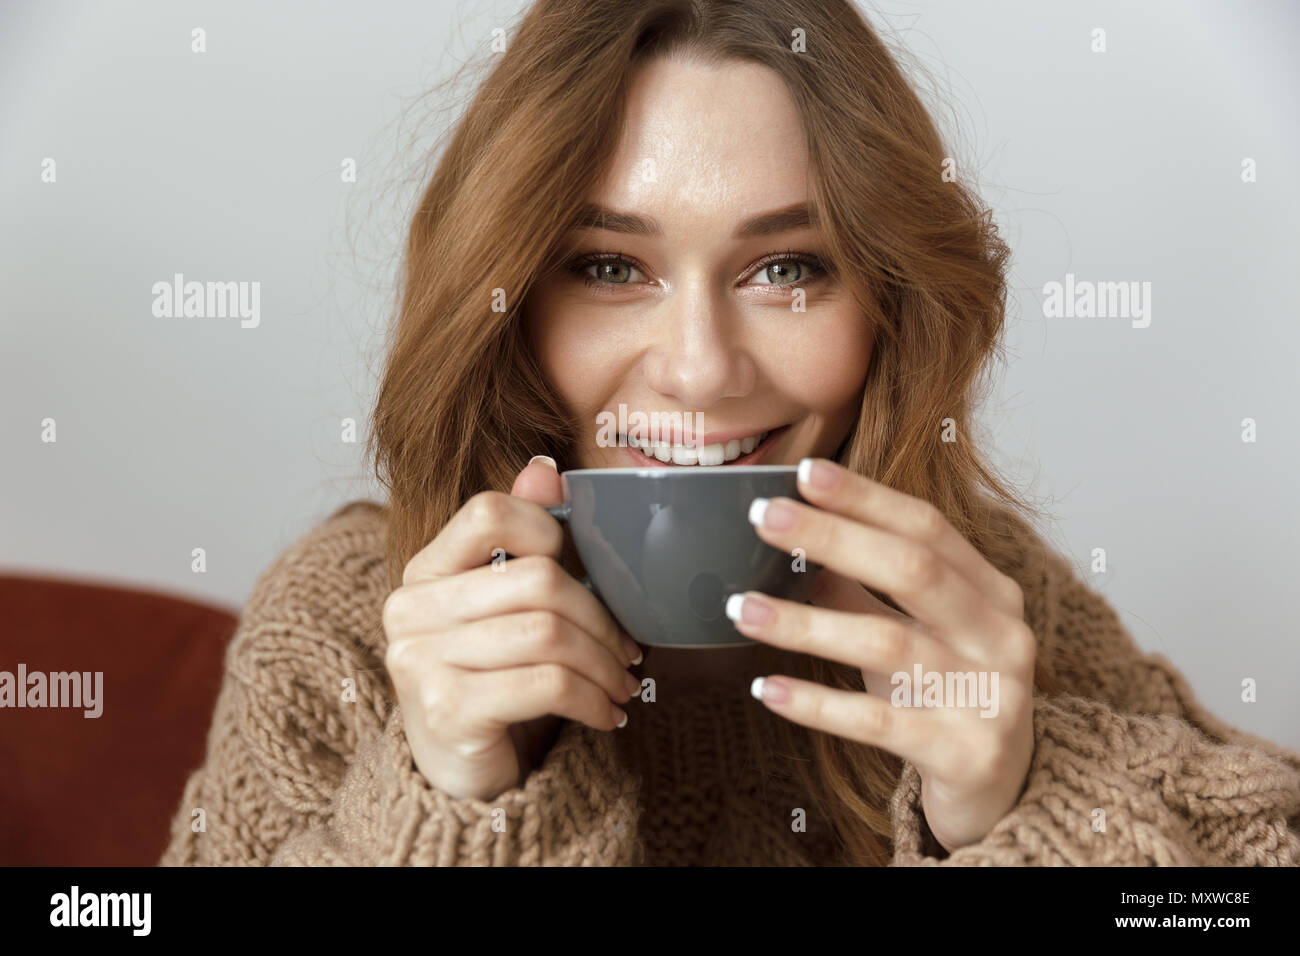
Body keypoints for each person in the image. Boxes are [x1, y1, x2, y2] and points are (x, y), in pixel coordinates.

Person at [160, 0, 1300, 866]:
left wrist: (1018, 805)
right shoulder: (350, 626)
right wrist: (446, 800)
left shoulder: (978, 604)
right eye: (609, 267)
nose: (700, 368)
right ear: (507, 308)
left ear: (885, 305)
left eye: (787, 268)